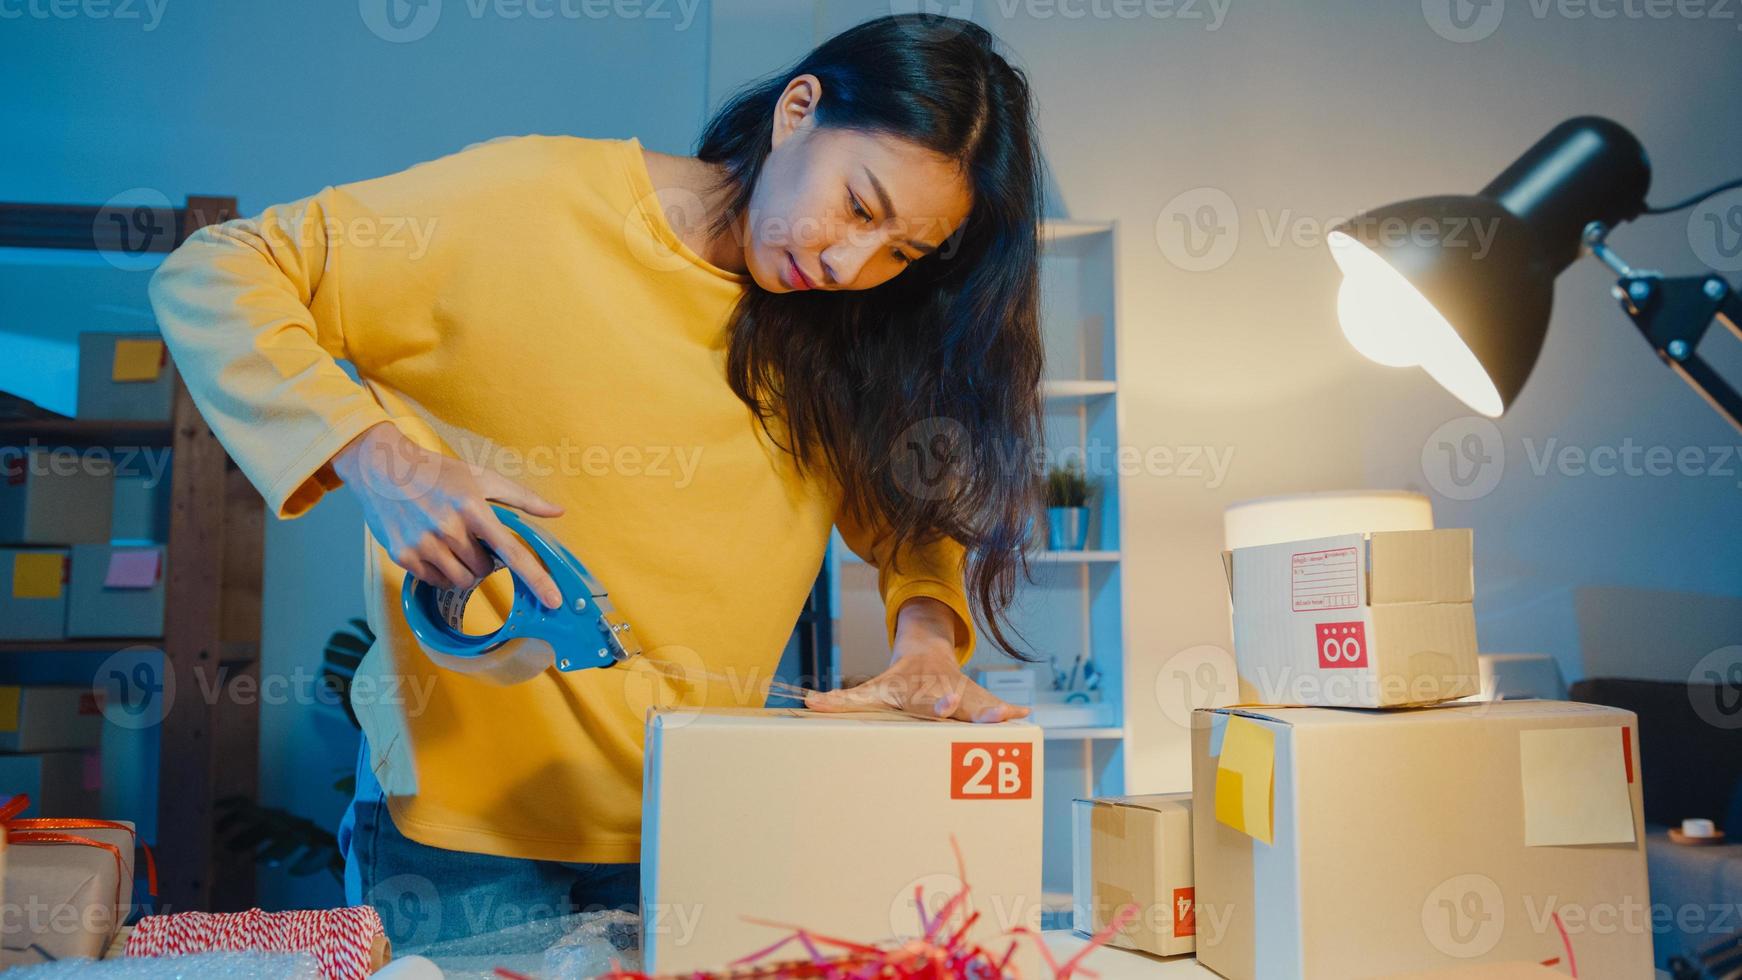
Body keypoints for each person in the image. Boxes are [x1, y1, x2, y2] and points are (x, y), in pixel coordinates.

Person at [150, 14, 1046, 949]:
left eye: (901, 252)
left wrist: (929, 641)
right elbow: (219, 270)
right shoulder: (531, 200)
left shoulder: (845, 329)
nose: (850, 263)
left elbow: (911, 526)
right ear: (799, 110)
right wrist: (381, 458)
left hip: (702, 824)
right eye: (860, 207)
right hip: (465, 846)